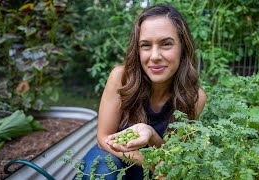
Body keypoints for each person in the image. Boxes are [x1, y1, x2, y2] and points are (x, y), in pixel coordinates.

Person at [79, 3, 206, 180]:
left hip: (151, 174)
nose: (154, 56)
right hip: (111, 164)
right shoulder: (121, 78)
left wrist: (152, 136)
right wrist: (150, 162)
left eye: (166, 44)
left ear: (183, 48)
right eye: (146, 45)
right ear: (137, 50)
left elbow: (173, 156)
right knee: (101, 164)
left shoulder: (194, 97)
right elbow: (103, 138)